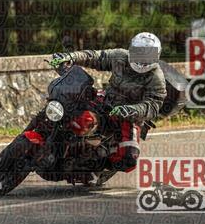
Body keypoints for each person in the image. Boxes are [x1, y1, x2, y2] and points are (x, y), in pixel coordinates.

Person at [49, 32, 167, 173]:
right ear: (131, 49)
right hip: (106, 102)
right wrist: (71, 57)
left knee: (129, 160)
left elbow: (153, 105)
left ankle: (98, 165)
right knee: (78, 112)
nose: (142, 59)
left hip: (129, 117)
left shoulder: (156, 77)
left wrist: (131, 110)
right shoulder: (120, 56)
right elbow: (96, 57)